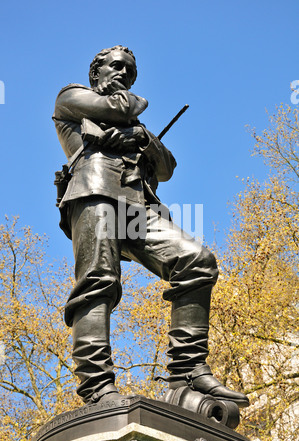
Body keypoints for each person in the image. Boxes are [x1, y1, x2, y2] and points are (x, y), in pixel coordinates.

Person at [53, 45, 249, 408]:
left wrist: (141, 138)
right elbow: (121, 106)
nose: (124, 73)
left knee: (197, 260)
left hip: (136, 207)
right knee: (97, 282)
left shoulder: (135, 127)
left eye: (130, 70)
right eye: (116, 66)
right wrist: (131, 115)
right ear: (95, 73)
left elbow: (166, 167)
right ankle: (97, 387)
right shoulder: (71, 97)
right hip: (94, 192)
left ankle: (187, 373)